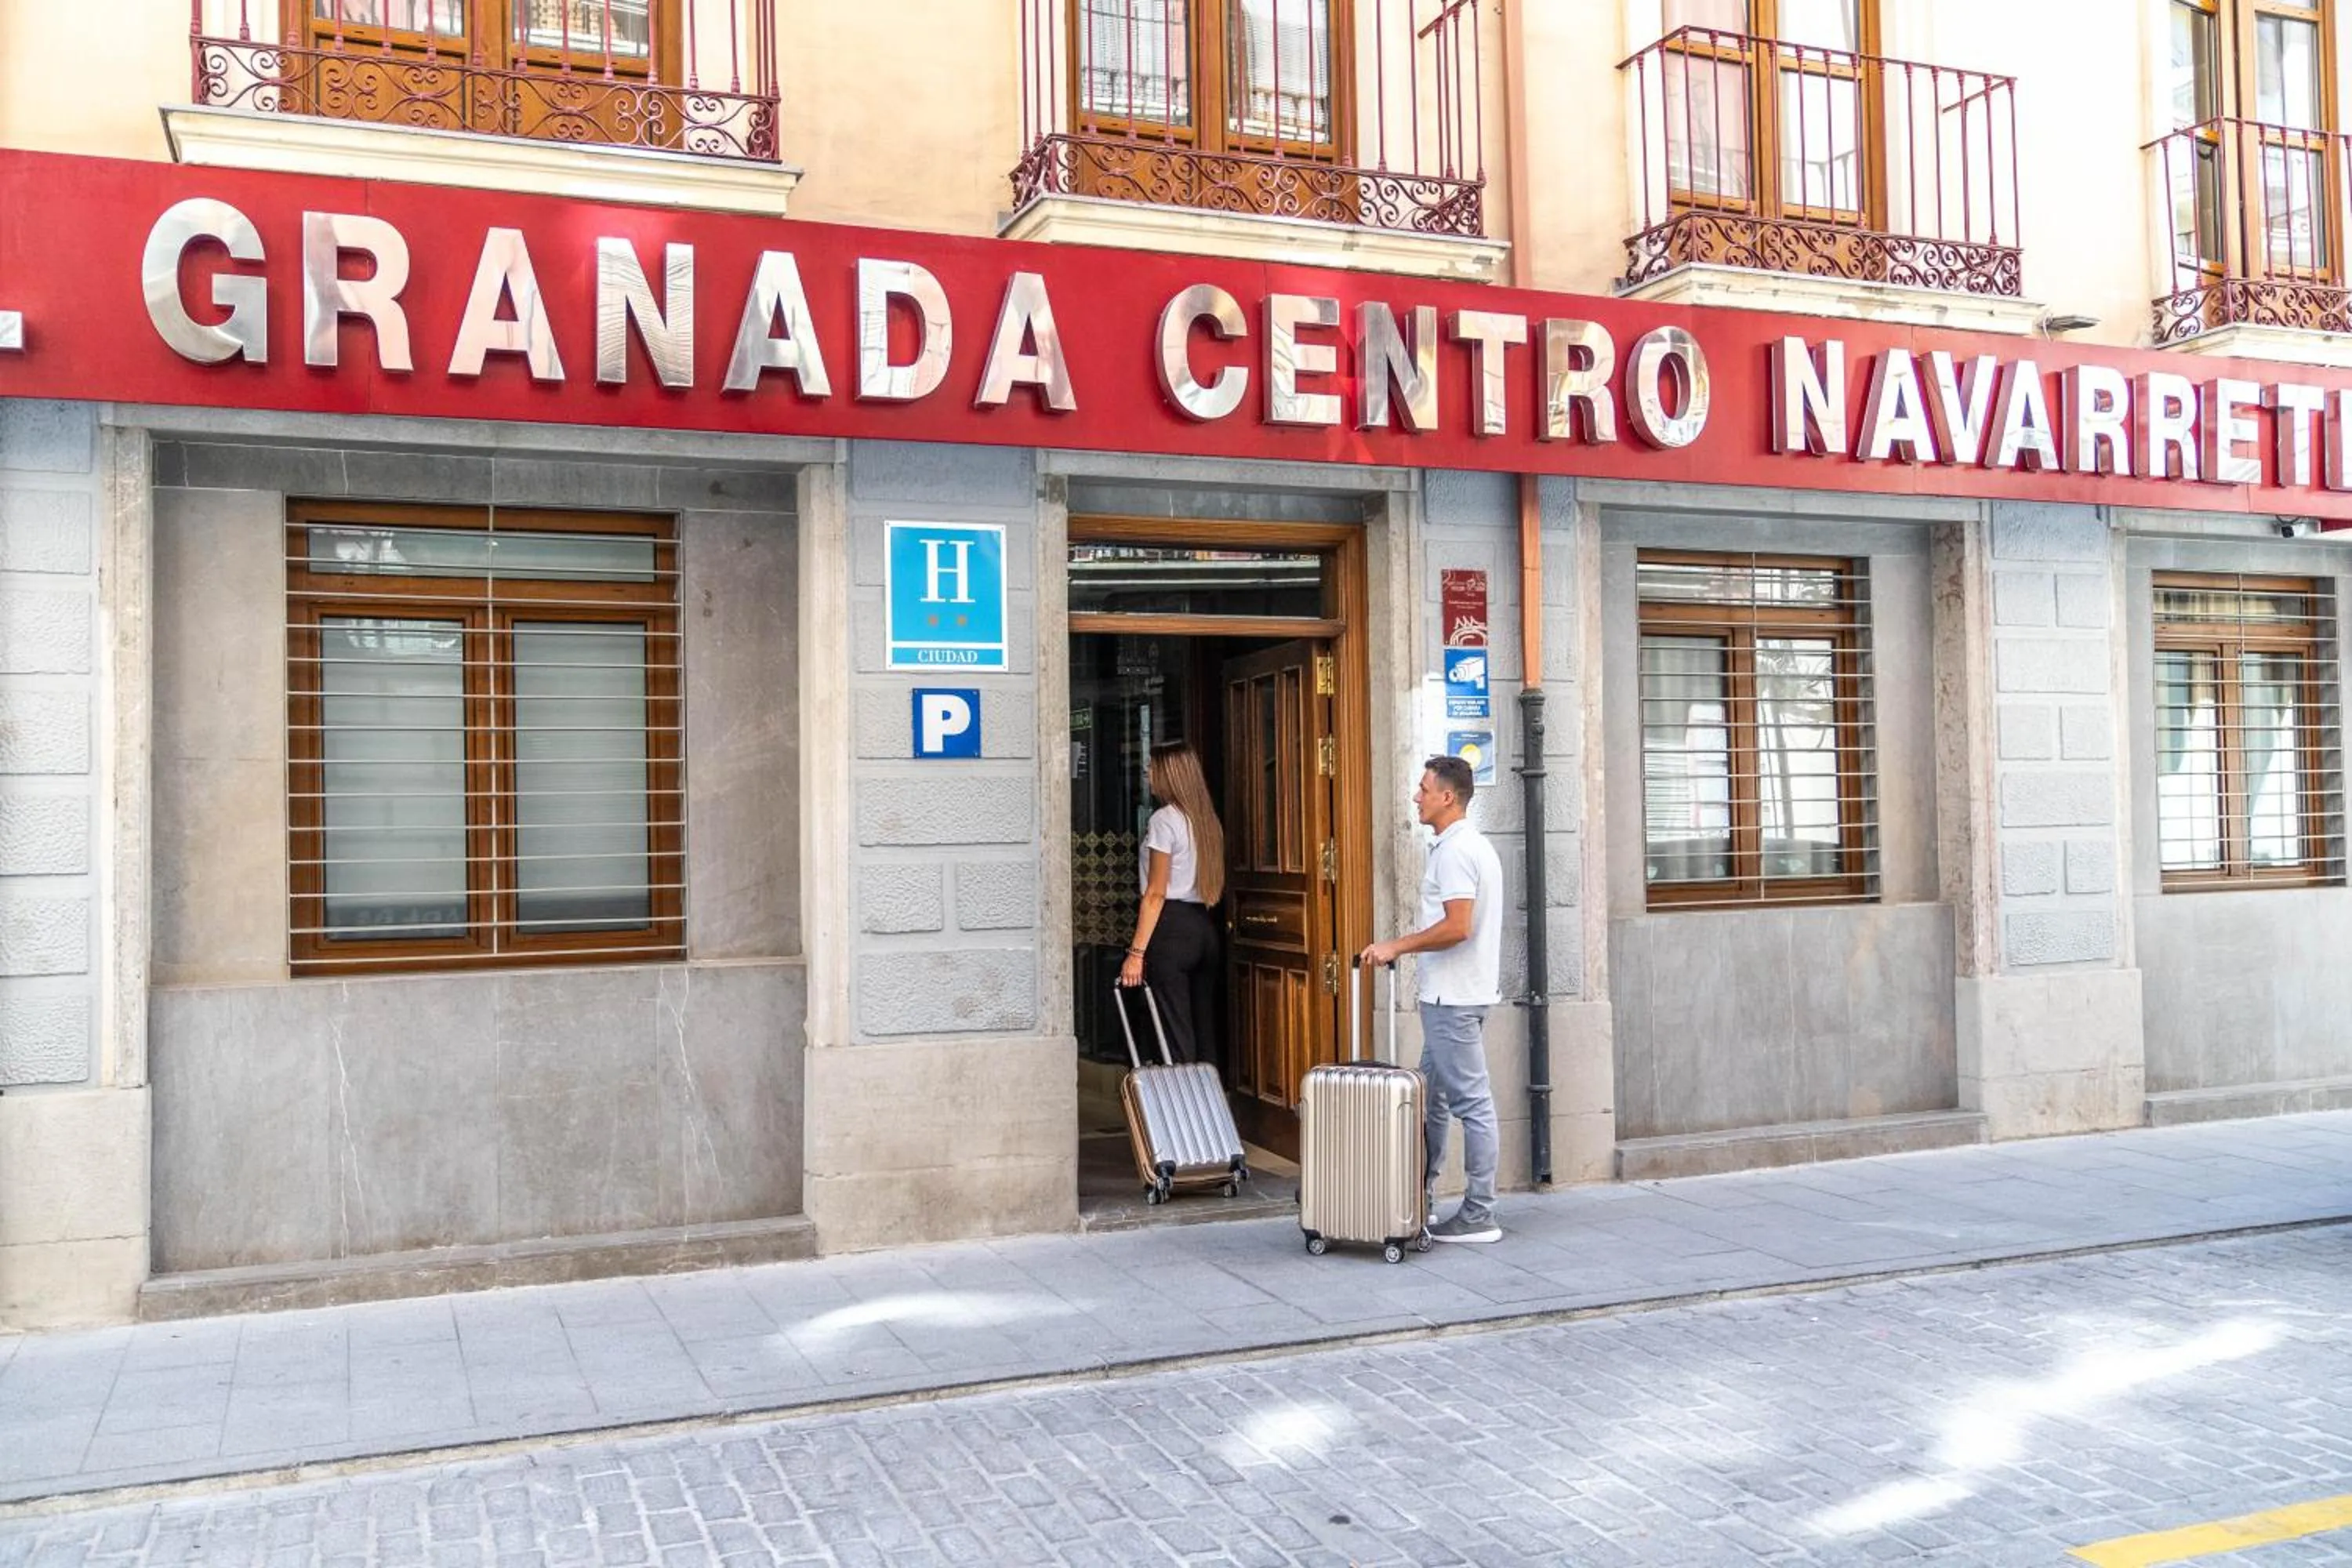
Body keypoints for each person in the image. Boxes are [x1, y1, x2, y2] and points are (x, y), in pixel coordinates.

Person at [1359, 754, 1505, 1244]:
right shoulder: (1466, 846)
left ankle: (1480, 1213)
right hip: (1456, 994)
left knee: (1469, 1102)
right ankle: (1419, 1197)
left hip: (1454, 998)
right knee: (1433, 1100)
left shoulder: (1456, 852)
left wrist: (1395, 946)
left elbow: (1458, 926)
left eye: (1423, 789)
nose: (1415, 797)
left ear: (1448, 796)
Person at [1116, 742, 1227, 1069]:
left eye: (1153, 768)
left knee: (1173, 1030)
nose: (1148, 775)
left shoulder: (1164, 820)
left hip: (1171, 928)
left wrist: (1135, 954)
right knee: (1203, 1027)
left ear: (1169, 774)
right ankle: (1206, 1108)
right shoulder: (1208, 822)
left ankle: (1178, 1111)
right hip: (1203, 927)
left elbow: (1155, 893)